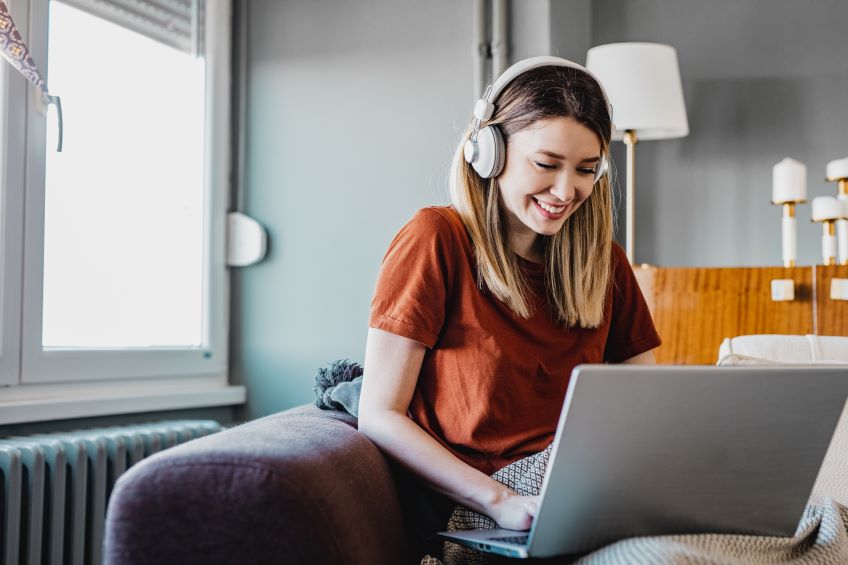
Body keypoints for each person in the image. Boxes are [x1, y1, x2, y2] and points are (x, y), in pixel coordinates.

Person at [358, 56, 661, 561]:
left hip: (590, 491)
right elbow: (379, 415)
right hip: (490, 506)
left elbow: (648, 407)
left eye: (587, 170)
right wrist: (502, 502)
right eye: (546, 165)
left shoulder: (603, 262)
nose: (567, 192)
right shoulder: (436, 239)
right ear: (488, 151)